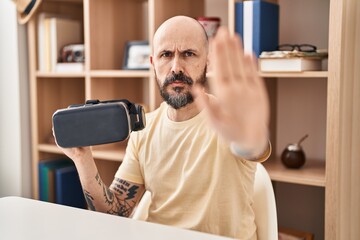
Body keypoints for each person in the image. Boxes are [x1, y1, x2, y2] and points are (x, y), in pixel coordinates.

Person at [54, 15, 271, 240]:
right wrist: (82, 159)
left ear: (207, 60)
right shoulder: (143, 130)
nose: (176, 67)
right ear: (153, 64)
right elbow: (115, 211)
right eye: (166, 55)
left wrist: (249, 132)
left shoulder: (231, 119)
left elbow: (254, 146)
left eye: (189, 54)